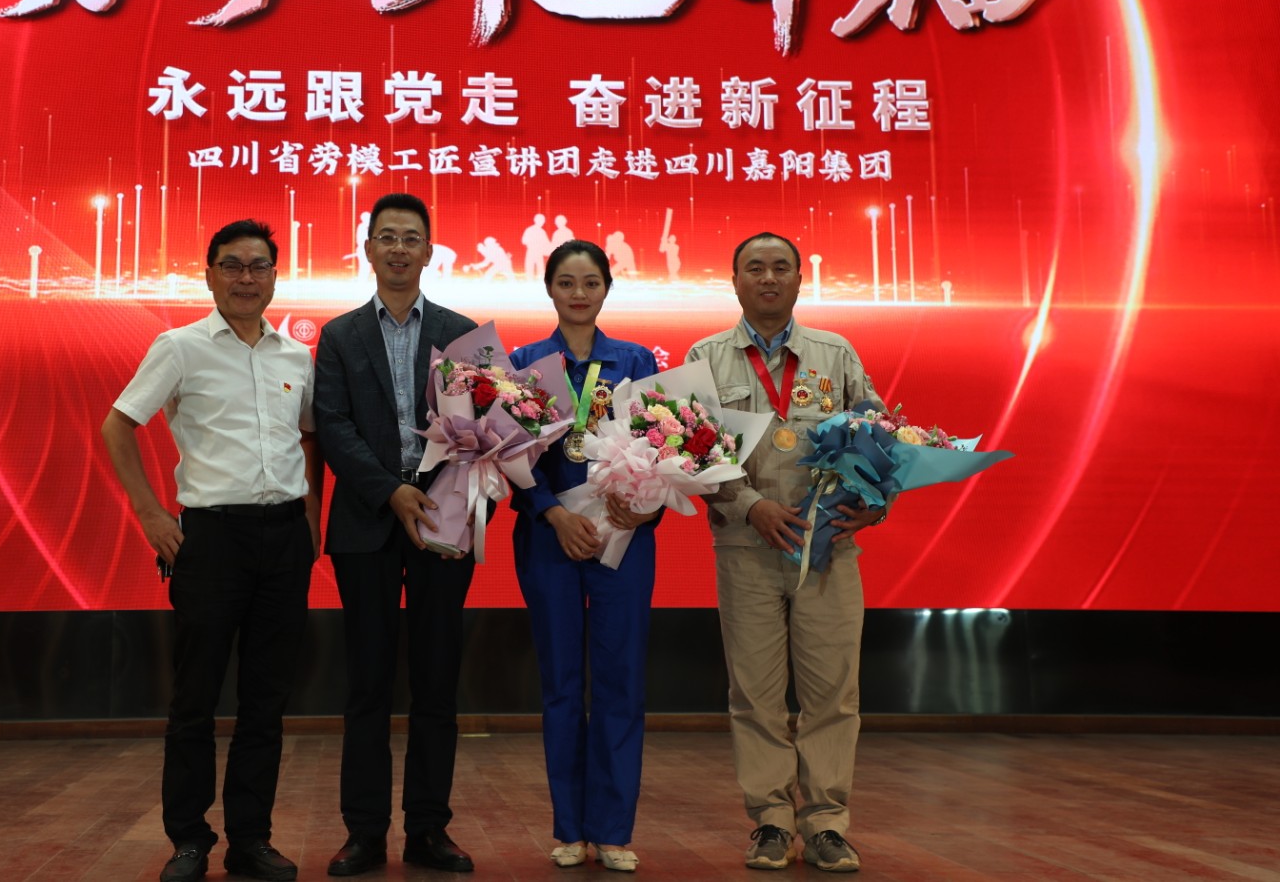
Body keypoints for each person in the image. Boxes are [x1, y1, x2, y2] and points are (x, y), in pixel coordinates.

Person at [101, 219, 322, 882]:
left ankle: (251, 839)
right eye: (232, 265)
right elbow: (117, 425)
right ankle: (189, 839)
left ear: (274, 276)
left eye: (258, 266)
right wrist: (150, 512)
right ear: (209, 275)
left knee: (266, 700)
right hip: (213, 539)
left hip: (284, 540)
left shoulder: (295, 356)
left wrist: (311, 515)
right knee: (195, 697)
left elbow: (309, 436)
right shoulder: (179, 347)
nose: (245, 278)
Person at [685, 232, 885, 874]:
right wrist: (750, 505)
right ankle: (771, 821)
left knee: (833, 694)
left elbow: (882, 441)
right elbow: (691, 453)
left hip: (826, 551)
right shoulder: (705, 358)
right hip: (745, 547)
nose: (768, 278)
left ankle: (826, 824)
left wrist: (875, 502)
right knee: (755, 695)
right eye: (755, 268)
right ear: (735, 281)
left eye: (780, 267)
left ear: (799, 279)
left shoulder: (835, 353)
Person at [313, 193, 480, 876]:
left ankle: (429, 829)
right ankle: (364, 832)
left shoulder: (462, 334)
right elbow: (333, 426)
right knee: (368, 684)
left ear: (430, 251)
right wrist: (390, 489)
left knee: (437, 682)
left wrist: (436, 487)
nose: (399, 248)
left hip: (444, 518)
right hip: (367, 522)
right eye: (387, 236)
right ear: (368, 250)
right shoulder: (340, 335)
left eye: (412, 237)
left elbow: (486, 426)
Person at [509, 241, 660, 873]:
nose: (578, 293)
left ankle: (614, 830)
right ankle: (570, 828)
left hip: (623, 535)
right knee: (562, 685)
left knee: (621, 681)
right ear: (549, 288)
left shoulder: (635, 360)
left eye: (590, 282)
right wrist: (552, 511)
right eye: (566, 282)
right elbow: (505, 454)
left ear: (606, 290)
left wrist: (646, 506)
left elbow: (664, 443)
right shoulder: (524, 362)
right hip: (550, 536)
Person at [521, 213, 553, 280]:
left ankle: (540, 283)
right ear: (535, 220)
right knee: (530, 269)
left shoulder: (542, 232)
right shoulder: (530, 230)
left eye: (543, 221)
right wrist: (532, 244)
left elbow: (547, 243)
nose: (542, 222)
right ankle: (530, 282)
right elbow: (524, 240)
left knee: (540, 269)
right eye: (540, 220)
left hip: (539, 252)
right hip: (531, 252)